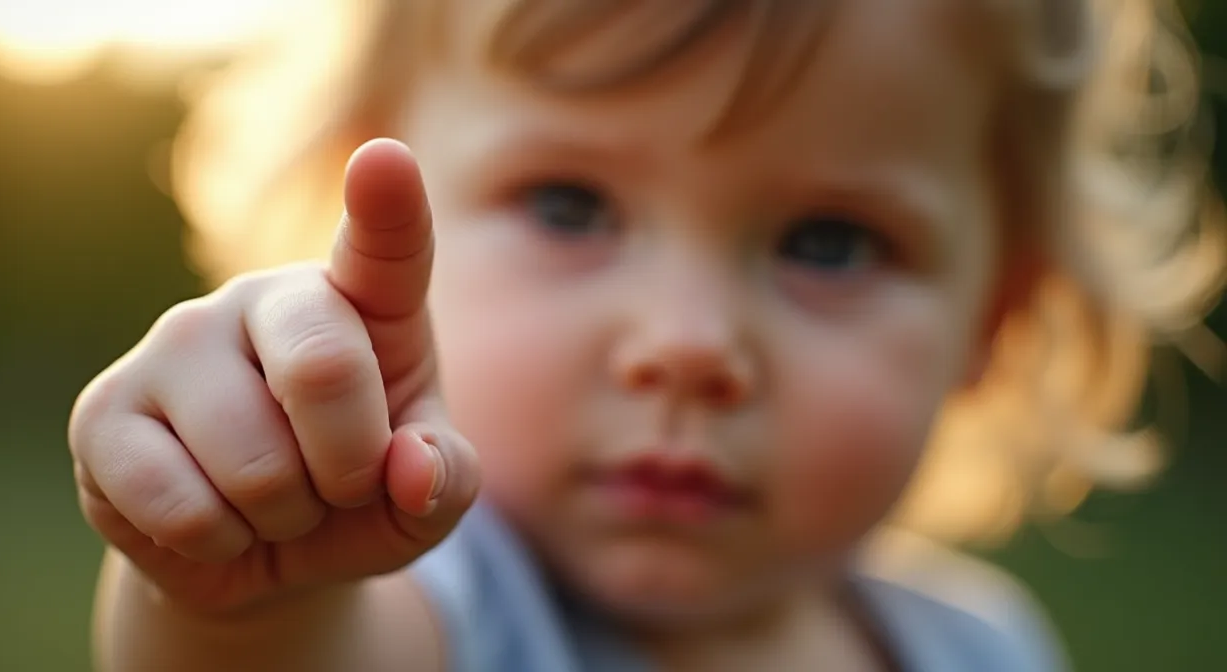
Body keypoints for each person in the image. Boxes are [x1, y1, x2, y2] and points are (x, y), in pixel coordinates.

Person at [67, 0, 1224, 669]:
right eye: (570, 206)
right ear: (361, 211)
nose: (685, 344)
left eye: (828, 241)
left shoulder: (984, 650)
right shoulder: (448, 613)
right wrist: (239, 593)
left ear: (994, 311)